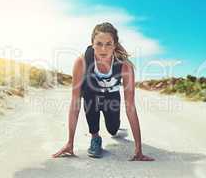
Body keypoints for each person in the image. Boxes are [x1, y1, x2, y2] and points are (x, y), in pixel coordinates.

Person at [52, 22, 155, 161]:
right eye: (99, 43)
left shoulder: (124, 66)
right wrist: (70, 142)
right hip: (92, 96)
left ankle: (117, 129)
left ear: (115, 45)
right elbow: (75, 102)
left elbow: (130, 106)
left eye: (108, 44)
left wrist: (138, 150)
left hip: (112, 98)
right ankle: (95, 138)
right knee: (89, 95)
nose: (103, 49)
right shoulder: (82, 62)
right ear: (92, 44)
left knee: (112, 129)